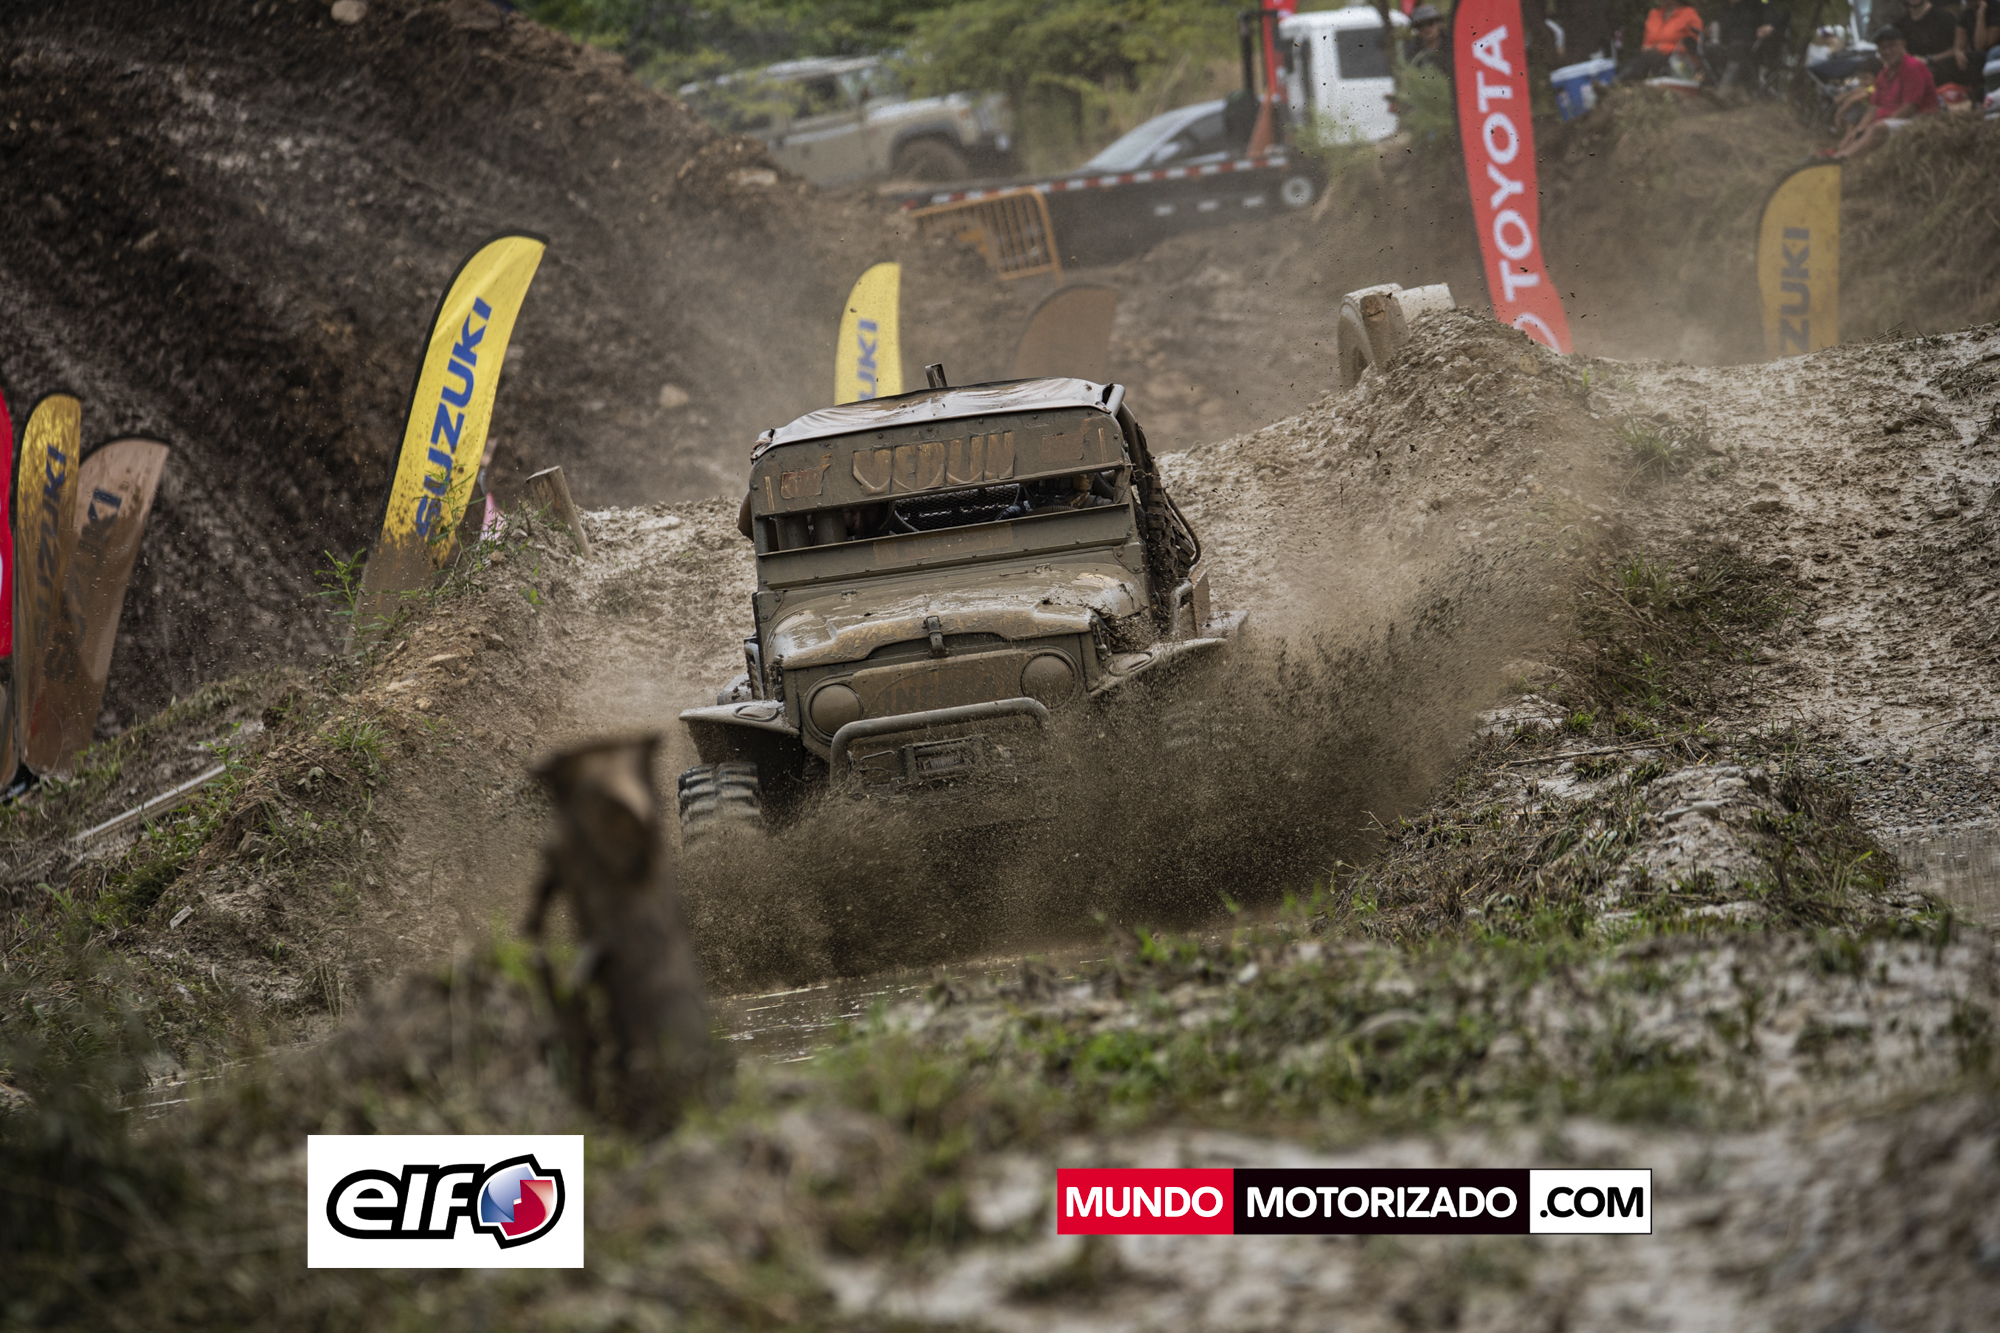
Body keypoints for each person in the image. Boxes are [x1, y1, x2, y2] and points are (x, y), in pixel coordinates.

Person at [1830, 26, 1939, 158]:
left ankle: (1843, 158)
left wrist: (1873, 127)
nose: (1887, 51)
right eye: (1882, 48)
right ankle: (1837, 156)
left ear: (1903, 45)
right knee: (1856, 133)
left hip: (1918, 121)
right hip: (1891, 122)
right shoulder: (1883, 75)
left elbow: (1909, 108)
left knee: (1878, 128)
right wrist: (1859, 130)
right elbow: (1873, 108)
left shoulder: (1912, 67)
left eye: (1892, 46)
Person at [1619, 0, 1703, 80]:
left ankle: (1620, 81)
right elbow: (1647, 43)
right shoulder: (1654, 14)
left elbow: (1695, 48)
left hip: (1680, 64)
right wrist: (1648, 49)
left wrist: (1662, 48)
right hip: (1651, 60)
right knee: (1639, 61)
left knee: (1644, 62)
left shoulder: (1690, 15)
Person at [1711, 0, 1782, 92]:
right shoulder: (1726, 8)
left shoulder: (1757, 3)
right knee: (1709, 49)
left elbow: (1770, 14)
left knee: (1737, 50)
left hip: (1749, 46)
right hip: (1726, 46)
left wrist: (1768, 25)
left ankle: (1724, 90)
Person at [1899, 0, 1968, 88]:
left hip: (1943, 74)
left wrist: (1929, 59)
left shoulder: (1944, 17)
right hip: (1911, 72)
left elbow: (1959, 49)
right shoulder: (1901, 25)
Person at [1404, 4, 1453, 76]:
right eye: (1420, 25)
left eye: (1430, 23)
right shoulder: (1411, 53)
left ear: (1439, 24)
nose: (1426, 29)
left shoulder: (1453, 46)